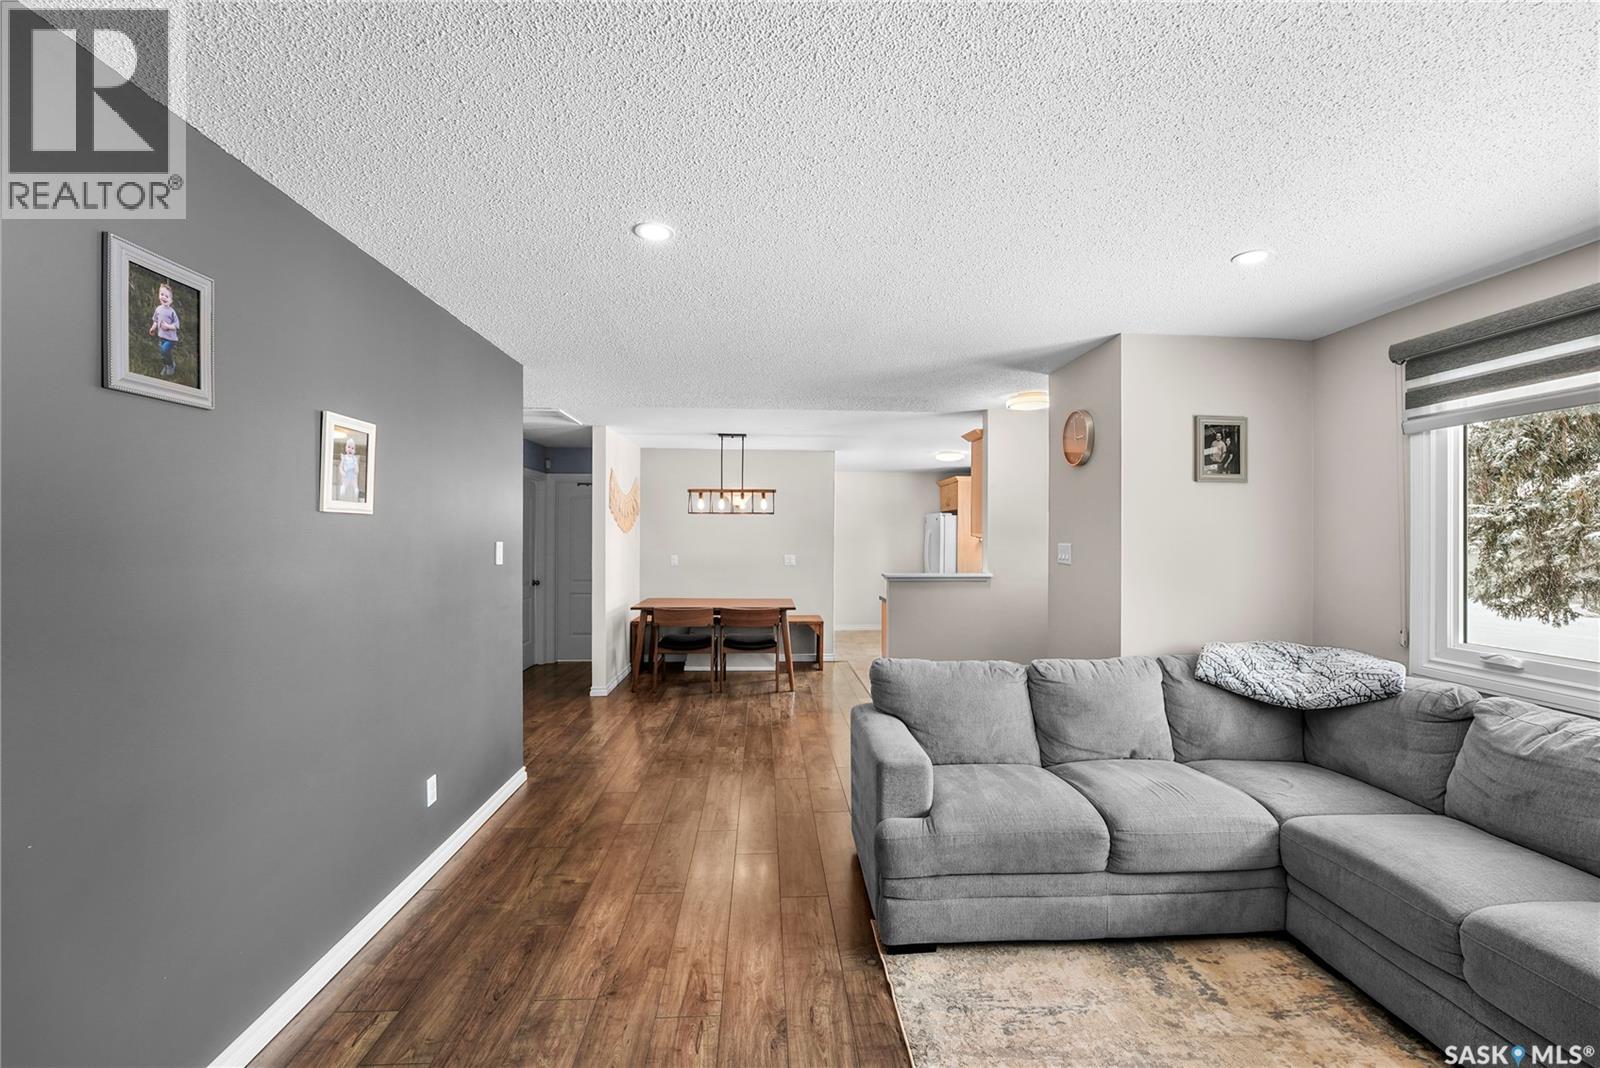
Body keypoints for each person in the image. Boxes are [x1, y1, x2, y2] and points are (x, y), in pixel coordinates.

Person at [147, 282, 180, 377]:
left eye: (167, 296)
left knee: (164, 350)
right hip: (161, 336)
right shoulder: (158, 309)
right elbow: (156, 321)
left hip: (171, 338)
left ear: (171, 300)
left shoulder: (172, 312)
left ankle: (171, 365)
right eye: (162, 294)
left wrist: (168, 326)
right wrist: (153, 328)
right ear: (159, 296)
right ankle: (166, 365)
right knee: (162, 353)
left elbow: (176, 325)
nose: (164, 297)